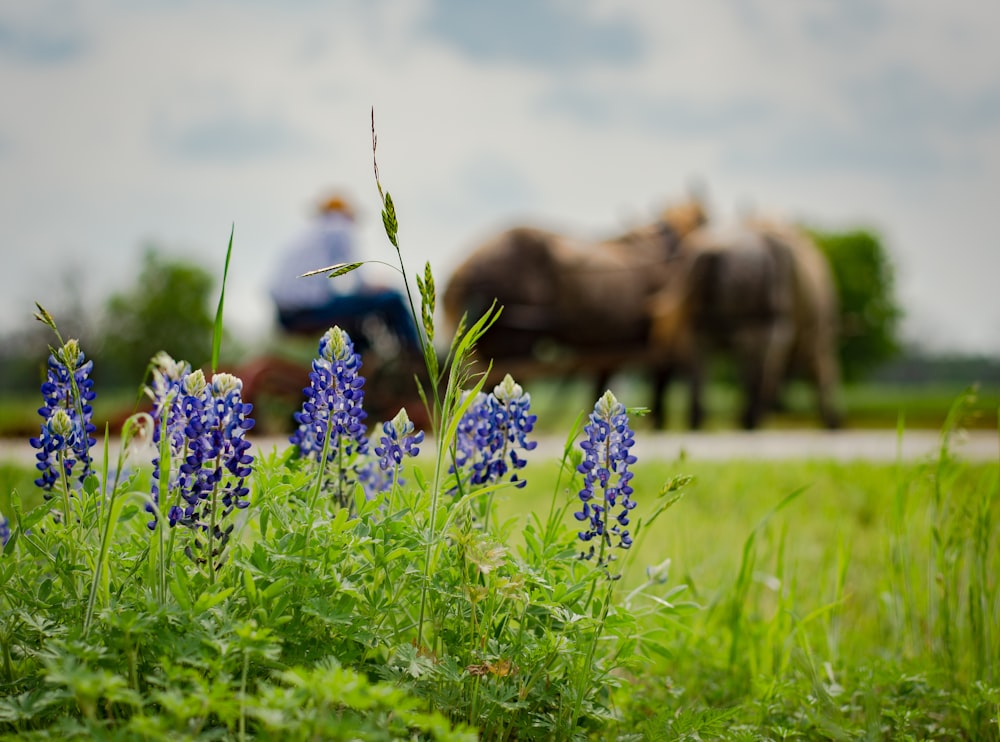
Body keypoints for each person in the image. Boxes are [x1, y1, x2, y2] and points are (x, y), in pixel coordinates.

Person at [268, 193, 421, 354]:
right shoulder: (338, 226)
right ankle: (415, 355)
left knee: (354, 309)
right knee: (392, 299)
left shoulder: (307, 233)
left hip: (284, 316)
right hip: (309, 310)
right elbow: (359, 279)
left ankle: (359, 359)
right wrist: (377, 287)